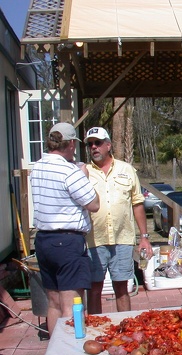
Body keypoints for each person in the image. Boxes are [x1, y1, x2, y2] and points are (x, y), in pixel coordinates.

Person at [30, 123, 100, 335]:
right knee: (73, 304)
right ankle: (72, 354)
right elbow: (94, 204)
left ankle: (55, 350)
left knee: (53, 302)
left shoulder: (37, 167)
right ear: (70, 144)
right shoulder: (70, 171)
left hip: (43, 239)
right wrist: (84, 176)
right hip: (67, 241)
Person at [84, 127, 152, 314]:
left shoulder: (127, 169)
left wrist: (144, 237)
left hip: (123, 238)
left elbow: (137, 204)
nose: (94, 147)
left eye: (97, 143)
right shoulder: (84, 172)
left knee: (122, 288)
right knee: (94, 288)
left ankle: (125, 326)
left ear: (108, 145)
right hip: (93, 240)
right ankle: (95, 329)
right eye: (90, 144)